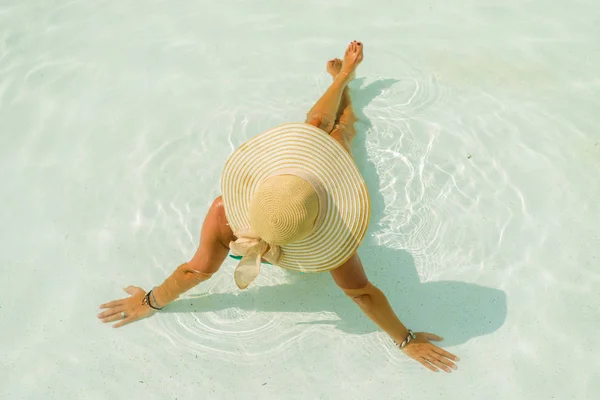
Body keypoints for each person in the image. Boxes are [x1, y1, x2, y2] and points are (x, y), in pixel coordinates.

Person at [98, 41, 460, 373]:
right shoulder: (337, 245)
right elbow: (363, 294)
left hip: (290, 224)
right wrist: (407, 340)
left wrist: (149, 301)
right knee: (339, 134)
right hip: (304, 228)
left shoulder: (225, 211)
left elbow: (194, 272)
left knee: (317, 125)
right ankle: (343, 84)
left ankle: (342, 81)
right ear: (326, 220)